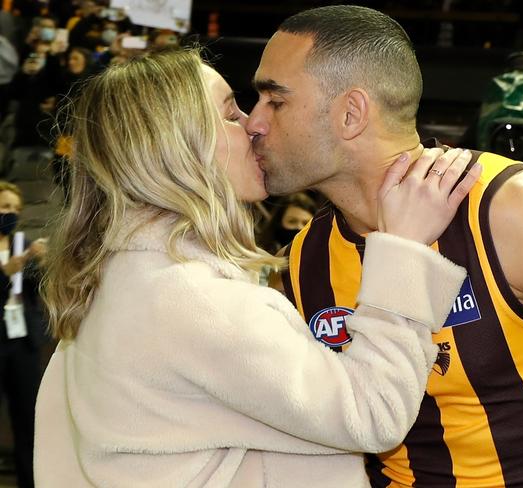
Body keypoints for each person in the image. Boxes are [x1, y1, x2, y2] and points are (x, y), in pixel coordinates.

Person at [33, 48, 481, 487]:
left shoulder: (113, 281)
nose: (255, 126)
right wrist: (404, 247)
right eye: (231, 115)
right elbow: (374, 413)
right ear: (175, 149)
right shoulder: (193, 299)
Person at [245, 5, 523, 488]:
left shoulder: (512, 209)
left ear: (351, 113)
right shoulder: (304, 257)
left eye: (275, 100)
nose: (254, 122)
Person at [0, 181, 48, 488]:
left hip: (22, 342)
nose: (12, 214)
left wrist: (41, 265)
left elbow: (41, 293)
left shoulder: (23, 243)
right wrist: (4, 273)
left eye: (16, 209)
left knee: (28, 420)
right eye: (5, 207)